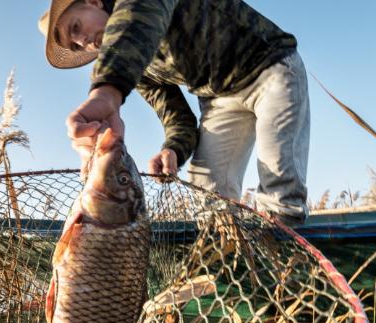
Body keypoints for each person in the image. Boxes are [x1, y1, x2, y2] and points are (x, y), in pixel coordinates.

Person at [38, 0, 310, 225]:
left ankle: (287, 273)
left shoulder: (139, 10)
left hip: (270, 67)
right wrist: (174, 150)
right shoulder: (138, 68)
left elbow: (137, 18)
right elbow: (177, 119)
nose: (84, 41)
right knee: (210, 203)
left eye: (76, 27)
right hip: (219, 99)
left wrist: (107, 91)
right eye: (75, 45)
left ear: (93, 2)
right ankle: (229, 268)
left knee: (280, 188)